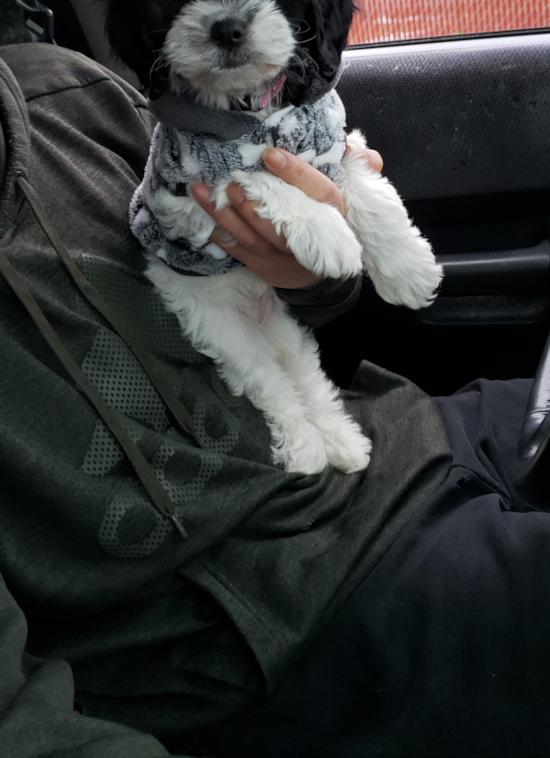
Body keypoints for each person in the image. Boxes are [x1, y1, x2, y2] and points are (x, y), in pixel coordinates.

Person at [0, 40, 548, 758]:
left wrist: (313, 280)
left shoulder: (65, 91)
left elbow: (292, 296)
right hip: (272, 628)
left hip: (392, 441)